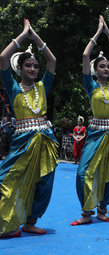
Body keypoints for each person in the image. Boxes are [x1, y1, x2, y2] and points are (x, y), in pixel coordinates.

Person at [0, 19, 57, 238]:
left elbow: (52, 61)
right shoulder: (13, 88)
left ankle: (30, 223)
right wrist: (24, 34)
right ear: (19, 68)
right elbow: (3, 58)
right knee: (7, 179)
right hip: (21, 142)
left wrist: (37, 39)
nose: (33, 68)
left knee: (43, 183)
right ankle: (8, 223)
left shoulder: (43, 85)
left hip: (45, 139)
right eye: (28, 65)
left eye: (35, 66)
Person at [71, 16, 109, 225]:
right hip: (95, 133)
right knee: (84, 172)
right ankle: (86, 212)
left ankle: (102, 209)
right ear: (95, 70)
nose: (107, 69)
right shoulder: (91, 85)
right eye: (103, 66)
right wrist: (97, 32)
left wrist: (108, 32)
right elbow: (85, 55)